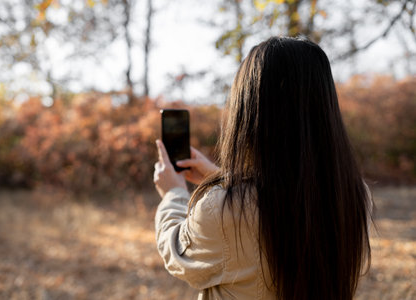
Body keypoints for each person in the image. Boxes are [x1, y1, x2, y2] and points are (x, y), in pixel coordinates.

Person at [153, 36, 373, 300]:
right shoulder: (353, 195)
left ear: (248, 111)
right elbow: (286, 196)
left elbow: (178, 252)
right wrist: (219, 176)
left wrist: (173, 194)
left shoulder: (223, 210)